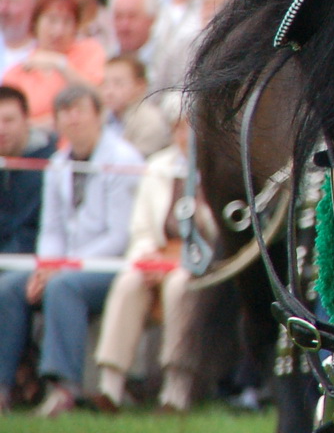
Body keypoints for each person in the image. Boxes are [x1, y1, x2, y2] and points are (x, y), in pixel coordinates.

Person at [0, 85, 142, 415]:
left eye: (79, 110)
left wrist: (61, 268)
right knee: (9, 287)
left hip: (110, 266)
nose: (72, 119)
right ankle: (4, 387)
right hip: (65, 265)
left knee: (63, 288)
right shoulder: (57, 165)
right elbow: (51, 229)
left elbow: (120, 236)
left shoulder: (122, 159)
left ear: (99, 115)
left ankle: (64, 388)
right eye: (64, 112)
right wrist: (46, 265)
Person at [93, 104, 210, 411]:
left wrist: (201, 215)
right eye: (181, 128)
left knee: (179, 286)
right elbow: (141, 228)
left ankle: (176, 388)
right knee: (129, 283)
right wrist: (147, 260)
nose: (187, 136)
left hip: (198, 260)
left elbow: (218, 233)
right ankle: (111, 386)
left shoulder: (215, 169)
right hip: (159, 255)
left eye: (194, 128)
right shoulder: (158, 166)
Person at [1, 0, 107, 126]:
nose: (59, 30)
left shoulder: (90, 51)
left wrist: (60, 64)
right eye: (52, 21)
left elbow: (98, 100)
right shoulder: (16, 73)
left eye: (67, 22)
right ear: (35, 24)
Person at [150, 0, 239, 95]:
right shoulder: (183, 45)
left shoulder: (242, 48)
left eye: (220, 3)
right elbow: (158, 90)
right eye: (207, 3)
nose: (211, 9)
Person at [0, 85, 55, 254]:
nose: (1, 130)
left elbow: (30, 233)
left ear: (26, 119)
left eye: (9, 120)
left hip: (29, 259)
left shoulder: (49, 164)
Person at [99, 56, 171, 157]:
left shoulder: (150, 121)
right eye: (105, 84)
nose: (109, 92)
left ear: (140, 86)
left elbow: (136, 162)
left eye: (118, 83)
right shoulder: (101, 118)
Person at [0, 0, 42, 77]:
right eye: (0, 0)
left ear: (35, 4)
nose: (3, 9)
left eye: (13, 1)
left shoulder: (46, 48)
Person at [106, 0, 158, 64]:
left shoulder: (167, 60)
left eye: (132, 17)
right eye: (118, 17)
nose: (124, 25)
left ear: (151, 19)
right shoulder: (104, 57)